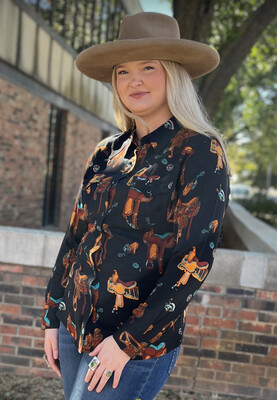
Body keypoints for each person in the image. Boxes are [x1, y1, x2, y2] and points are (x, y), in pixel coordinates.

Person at [42, 11, 230, 400]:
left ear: (173, 75)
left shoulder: (199, 151)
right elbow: (76, 236)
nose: (134, 80)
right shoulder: (106, 153)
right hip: (73, 329)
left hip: (134, 346)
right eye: (123, 72)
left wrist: (126, 343)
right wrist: (52, 315)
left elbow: (194, 257)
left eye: (148, 67)